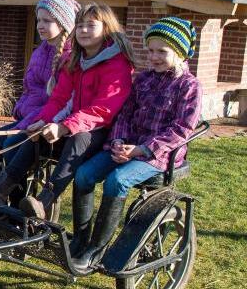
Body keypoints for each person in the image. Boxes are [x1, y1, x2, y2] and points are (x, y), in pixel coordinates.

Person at [0, 3, 135, 227]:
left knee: (78, 138)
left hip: (104, 130)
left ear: (106, 29)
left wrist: (65, 126)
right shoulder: (75, 59)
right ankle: (0, 189)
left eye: (90, 26)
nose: (83, 30)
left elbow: (104, 109)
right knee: (36, 134)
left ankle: (45, 201)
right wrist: (42, 121)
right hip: (74, 122)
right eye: (80, 25)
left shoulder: (117, 64)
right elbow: (59, 99)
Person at [70, 17, 202, 272]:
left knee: (116, 181)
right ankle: (80, 239)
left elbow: (182, 128)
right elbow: (124, 114)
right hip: (126, 147)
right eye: (150, 50)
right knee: (84, 174)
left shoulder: (189, 86)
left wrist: (141, 149)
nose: (154, 57)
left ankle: (96, 250)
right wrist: (119, 141)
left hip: (158, 155)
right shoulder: (142, 79)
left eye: (162, 51)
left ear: (180, 52)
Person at [0, 0, 79, 205]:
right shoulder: (40, 51)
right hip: (29, 116)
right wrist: (20, 108)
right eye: (39, 20)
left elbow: (57, 101)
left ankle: (15, 206)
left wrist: (26, 123)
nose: (40, 25)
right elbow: (31, 88)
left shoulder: (69, 56)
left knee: (12, 144)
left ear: (64, 23)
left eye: (47, 21)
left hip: (49, 120)